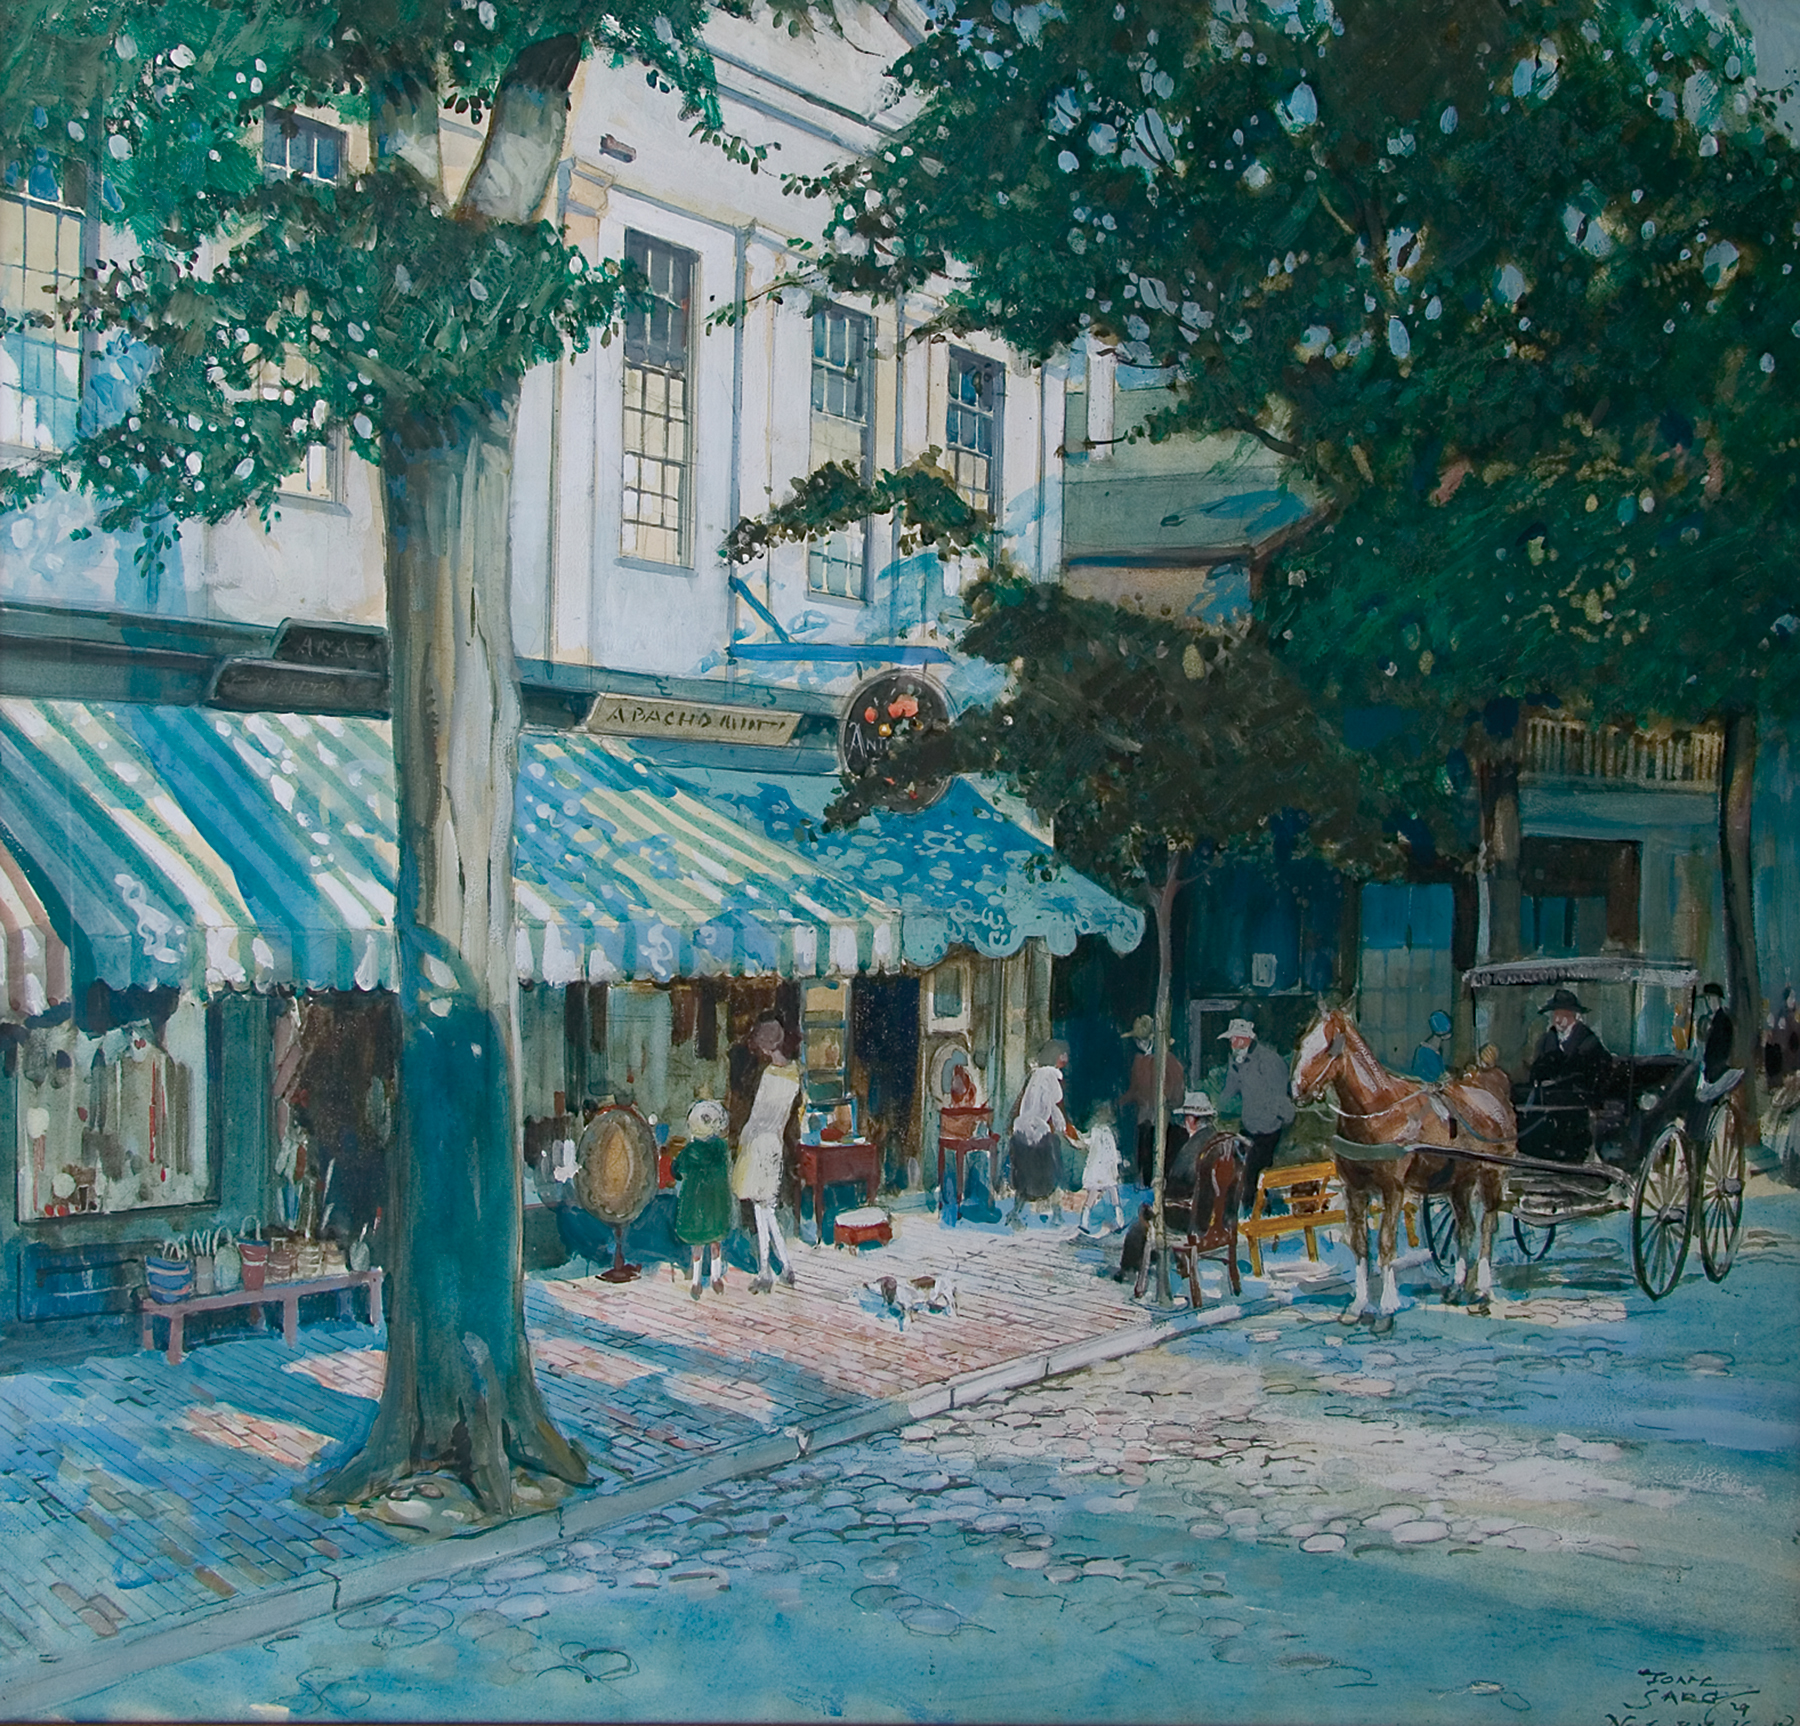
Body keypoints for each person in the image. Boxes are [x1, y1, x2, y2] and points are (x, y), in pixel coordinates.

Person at [730, 1015, 801, 1291]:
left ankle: (766, 1271)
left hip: (758, 1142)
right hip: (775, 1144)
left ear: (766, 1047)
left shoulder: (770, 1075)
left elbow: (759, 1115)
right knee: (767, 1209)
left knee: (761, 1211)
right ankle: (784, 1266)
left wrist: (743, 1141)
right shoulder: (794, 1074)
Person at [1523, 987, 1611, 1163]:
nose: (1557, 1019)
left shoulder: (1589, 1042)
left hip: (1576, 1106)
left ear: (1573, 1016)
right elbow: (1536, 1071)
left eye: (1562, 1015)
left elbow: (1601, 1072)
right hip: (1547, 1105)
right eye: (1555, 1015)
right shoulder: (1546, 1040)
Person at [1218, 1019, 1295, 1215]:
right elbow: (1229, 1092)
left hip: (1268, 1128)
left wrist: (1274, 1114)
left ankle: (1254, 1213)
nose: (1231, 1044)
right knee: (1236, 1167)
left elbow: (1280, 1096)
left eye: (1234, 1039)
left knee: (1254, 1172)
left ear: (1245, 1038)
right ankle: (1246, 1209)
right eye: (1231, 1040)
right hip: (1249, 1126)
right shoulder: (1238, 1060)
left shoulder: (1270, 1061)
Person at [1009, 1040, 1081, 1228]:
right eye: (1064, 1054)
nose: (1066, 1058)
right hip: (1039, 1131)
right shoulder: (1051, 1076)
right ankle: (1056, 1215)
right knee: (1054, 1170)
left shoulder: (1034, 1075)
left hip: (1022, 1130)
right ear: (1057, 1056)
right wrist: (1065, 1128)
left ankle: (1016, 1212)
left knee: (1024, 1173)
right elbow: (1055, 1104)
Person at [673, 1099, 733, 1299]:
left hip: (695, 1202)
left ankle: (696, 1281)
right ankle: (716, 1277)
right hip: (716, 1202)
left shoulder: (689, 1151)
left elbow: (677, 1171)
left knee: (697, 1244)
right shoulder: (720, 1148)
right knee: (715, 1241)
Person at [1120, 1014, 1186, 1188]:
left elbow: (1177, 1088)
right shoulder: (1139, 1060)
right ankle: (1145, 1185)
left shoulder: (1167, 1060)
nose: (1139, 1043)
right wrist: (1123, 1100)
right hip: (1144, 1117)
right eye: (1137, 1040)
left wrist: (1167, 1102)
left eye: (1142, 1040)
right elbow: (1135, 1088)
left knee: (1161, 1155)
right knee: (1144, 1154)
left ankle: (1157, 1188)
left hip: (1164, 1118)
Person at [1076, 1100, 1123, 1236]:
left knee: (1099, 1195)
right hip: (1103, 1168)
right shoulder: (1101, 1131)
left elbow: (1088, 1143)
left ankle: (1085, 1223)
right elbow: (1110, 1151)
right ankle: (1118, 1222)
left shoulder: (1101, 1131)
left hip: (1101, 1168)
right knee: (1111, 1195)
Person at [1697, 982, 1737, 1087]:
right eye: (1706, 999)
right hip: (1712, 1072)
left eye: (1709, 998)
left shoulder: (1723, 1020)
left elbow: (1723, 1050)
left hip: (1717, 1073)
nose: (1707, 1002)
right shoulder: (1711, 1020)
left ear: (1716, 999)